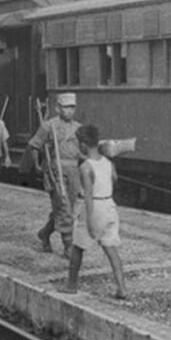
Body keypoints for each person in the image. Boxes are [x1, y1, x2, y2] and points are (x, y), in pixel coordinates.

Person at [59, 124, 127, 299]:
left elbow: (88, 195)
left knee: (77, 248)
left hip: (94, 207)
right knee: (111, 248)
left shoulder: (85, 167)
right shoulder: (108, 163)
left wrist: (88, 221)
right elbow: (115, 179)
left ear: (82, 145)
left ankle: (71, 285)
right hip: (110, 206)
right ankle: (122, 288)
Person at [29, 93, 83, 258]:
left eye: (72, 107)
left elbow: (82, 152)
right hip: (56, 171)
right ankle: (68, 247)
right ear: (57, 108)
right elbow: (34, 145)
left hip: (74, 172)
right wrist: (38, 165)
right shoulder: (48, 126)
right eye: (66, 107)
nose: (69, 111)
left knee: (68, 209)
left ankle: (44, 233)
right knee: (64, 207)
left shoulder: (78, 128)